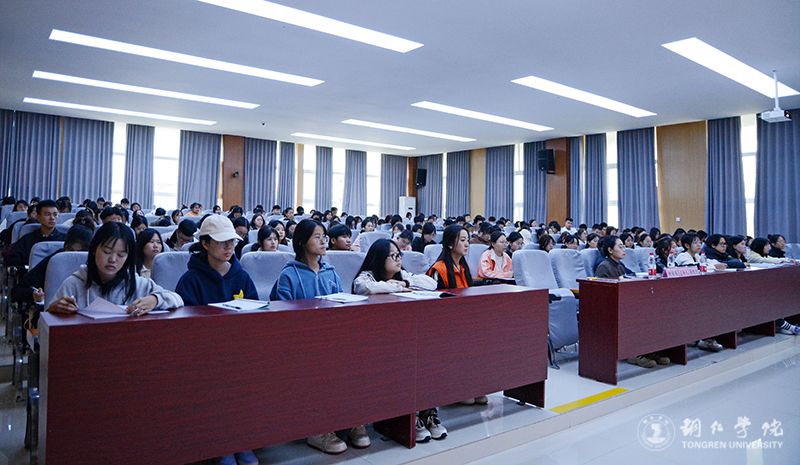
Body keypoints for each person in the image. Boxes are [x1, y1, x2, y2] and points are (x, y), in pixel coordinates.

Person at [269, 220, 363, 454]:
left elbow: (341, 305)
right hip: (301, 342)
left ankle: (352, 419)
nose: (323, 241)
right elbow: (282, 318)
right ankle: (317, 428)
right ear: (302, 242)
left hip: (331, 339)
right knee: (319, 367)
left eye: (324, 237)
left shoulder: (330, 272)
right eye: (317, 237)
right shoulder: (289, 275)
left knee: (355, 360)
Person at [173, 215, 259, 465]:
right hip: (205, 355)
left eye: (231, 242)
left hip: (238, 350)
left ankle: (241, 440)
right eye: (222, 243)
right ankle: (222, 445)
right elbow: (184, 326)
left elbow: (256, 312)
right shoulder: (190, 280)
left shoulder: (242, 277)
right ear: (205, 244)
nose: (229, 247)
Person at [47, 222, 183, 315]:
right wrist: (53, 310)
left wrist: (155, 300)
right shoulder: (75, 283)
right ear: (94, 250)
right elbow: (46, 324)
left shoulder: (137, 283)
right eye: (107, 251)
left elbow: (177, 299)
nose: (113, 259)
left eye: (121, 255)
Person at [595, 236, 669, 368]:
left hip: (625, 301)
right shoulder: (604, 266)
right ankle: (633, 353)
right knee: (640, 316)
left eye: (623, 246)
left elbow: (631, 276)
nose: (624, 249)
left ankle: (650, 350)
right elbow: (603, 294)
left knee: (655, 312)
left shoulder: (619, 265)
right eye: (620, 247)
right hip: (612, 307)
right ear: (610, 250)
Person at [13, 225, 93, 308]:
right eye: (73, 252)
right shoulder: (54, 261)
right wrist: (34, 294)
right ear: (67, 247)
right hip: (55, 310)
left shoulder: (94, 262)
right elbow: (18, 290)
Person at [353, 238, 436, 295]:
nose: (399, 259)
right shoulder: (367, 276)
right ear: (380, 258)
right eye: (394, 255)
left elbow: (433, 284)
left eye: (399, 255)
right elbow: (367, 288)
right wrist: (399, 288)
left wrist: (405, 283)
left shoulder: (401, 274)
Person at [5, 200, 65, 267]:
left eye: (55, 214)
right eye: (47, 214)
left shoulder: (65, 240)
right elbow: (12, 259)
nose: (52, 218)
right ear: (38, 217)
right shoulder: (27, 239)